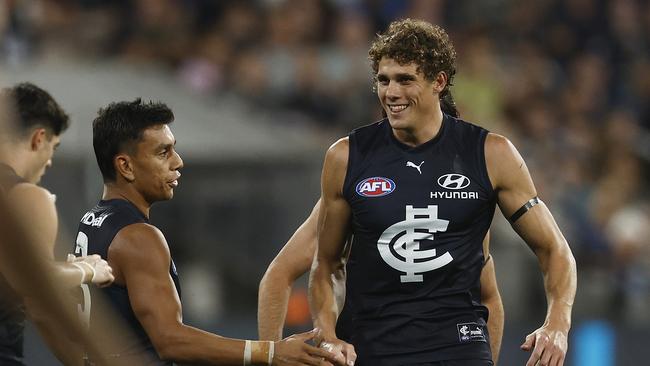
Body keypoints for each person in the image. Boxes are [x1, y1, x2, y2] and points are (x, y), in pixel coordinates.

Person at [309, 18, 577, 366]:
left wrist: (557, 323)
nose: (391, 92)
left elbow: (555, 250)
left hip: (458, 345)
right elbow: (326, 265)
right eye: (384, 80)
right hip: (370, 346)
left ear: (439, 82)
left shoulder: (490, 154)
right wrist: (328, 336)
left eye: (405, 80)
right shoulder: (345, 157)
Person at [75, 98, 345, 366]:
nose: (178, 162)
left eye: (174, 150)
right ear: (125, 166)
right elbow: (170, 341)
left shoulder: (92, 220)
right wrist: (270, 352)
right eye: (163, 152)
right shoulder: (138, 237)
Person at [258, 206, 504, 364]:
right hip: (368, 351)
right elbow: (279, 274)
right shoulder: (355, 191)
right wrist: (271, 356)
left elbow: (489, 297)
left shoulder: (466, 204)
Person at [0, 83, 114, 366]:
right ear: (39, 138)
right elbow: (35, 285)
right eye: (53, 147)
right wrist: (88, 269)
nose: (50, 162)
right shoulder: (25, 197)